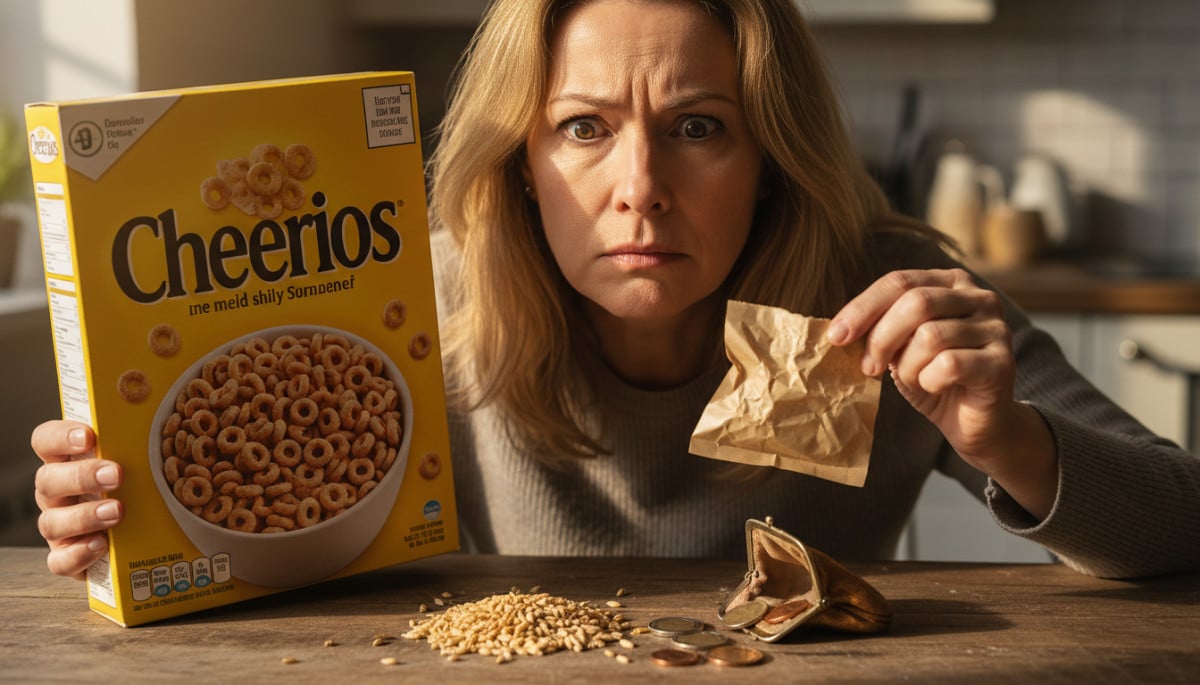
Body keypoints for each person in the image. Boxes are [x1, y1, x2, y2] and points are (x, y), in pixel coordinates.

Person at [31, 0, 1199, 581]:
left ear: (773, 157)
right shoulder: (414, 298)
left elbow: (1184, 521)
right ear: (521, 165)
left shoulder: (881, 292)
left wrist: (1018, 444)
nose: (640, 189)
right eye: (584, 128)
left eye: (698, 128)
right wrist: (124, 503)